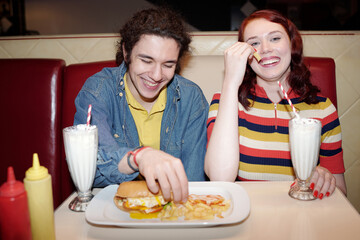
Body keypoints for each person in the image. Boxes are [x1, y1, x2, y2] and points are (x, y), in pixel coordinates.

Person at [205, 9, 347, 199]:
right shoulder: (225, 101)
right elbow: (219, 177)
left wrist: (324, 181)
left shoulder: (323, 109)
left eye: (274, 38)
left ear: (292, 44)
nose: (265, 49)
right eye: (254, 43)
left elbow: (342, 193)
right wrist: (231, 82)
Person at [74, 7, 209, 203]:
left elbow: (193, 182)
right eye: (146, 60)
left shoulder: (191, 98)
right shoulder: (98, 91)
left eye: (168, 65)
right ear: (126, 52)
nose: (156, 75)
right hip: (111, 209)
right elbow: (89, 168)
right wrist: (139, 157)